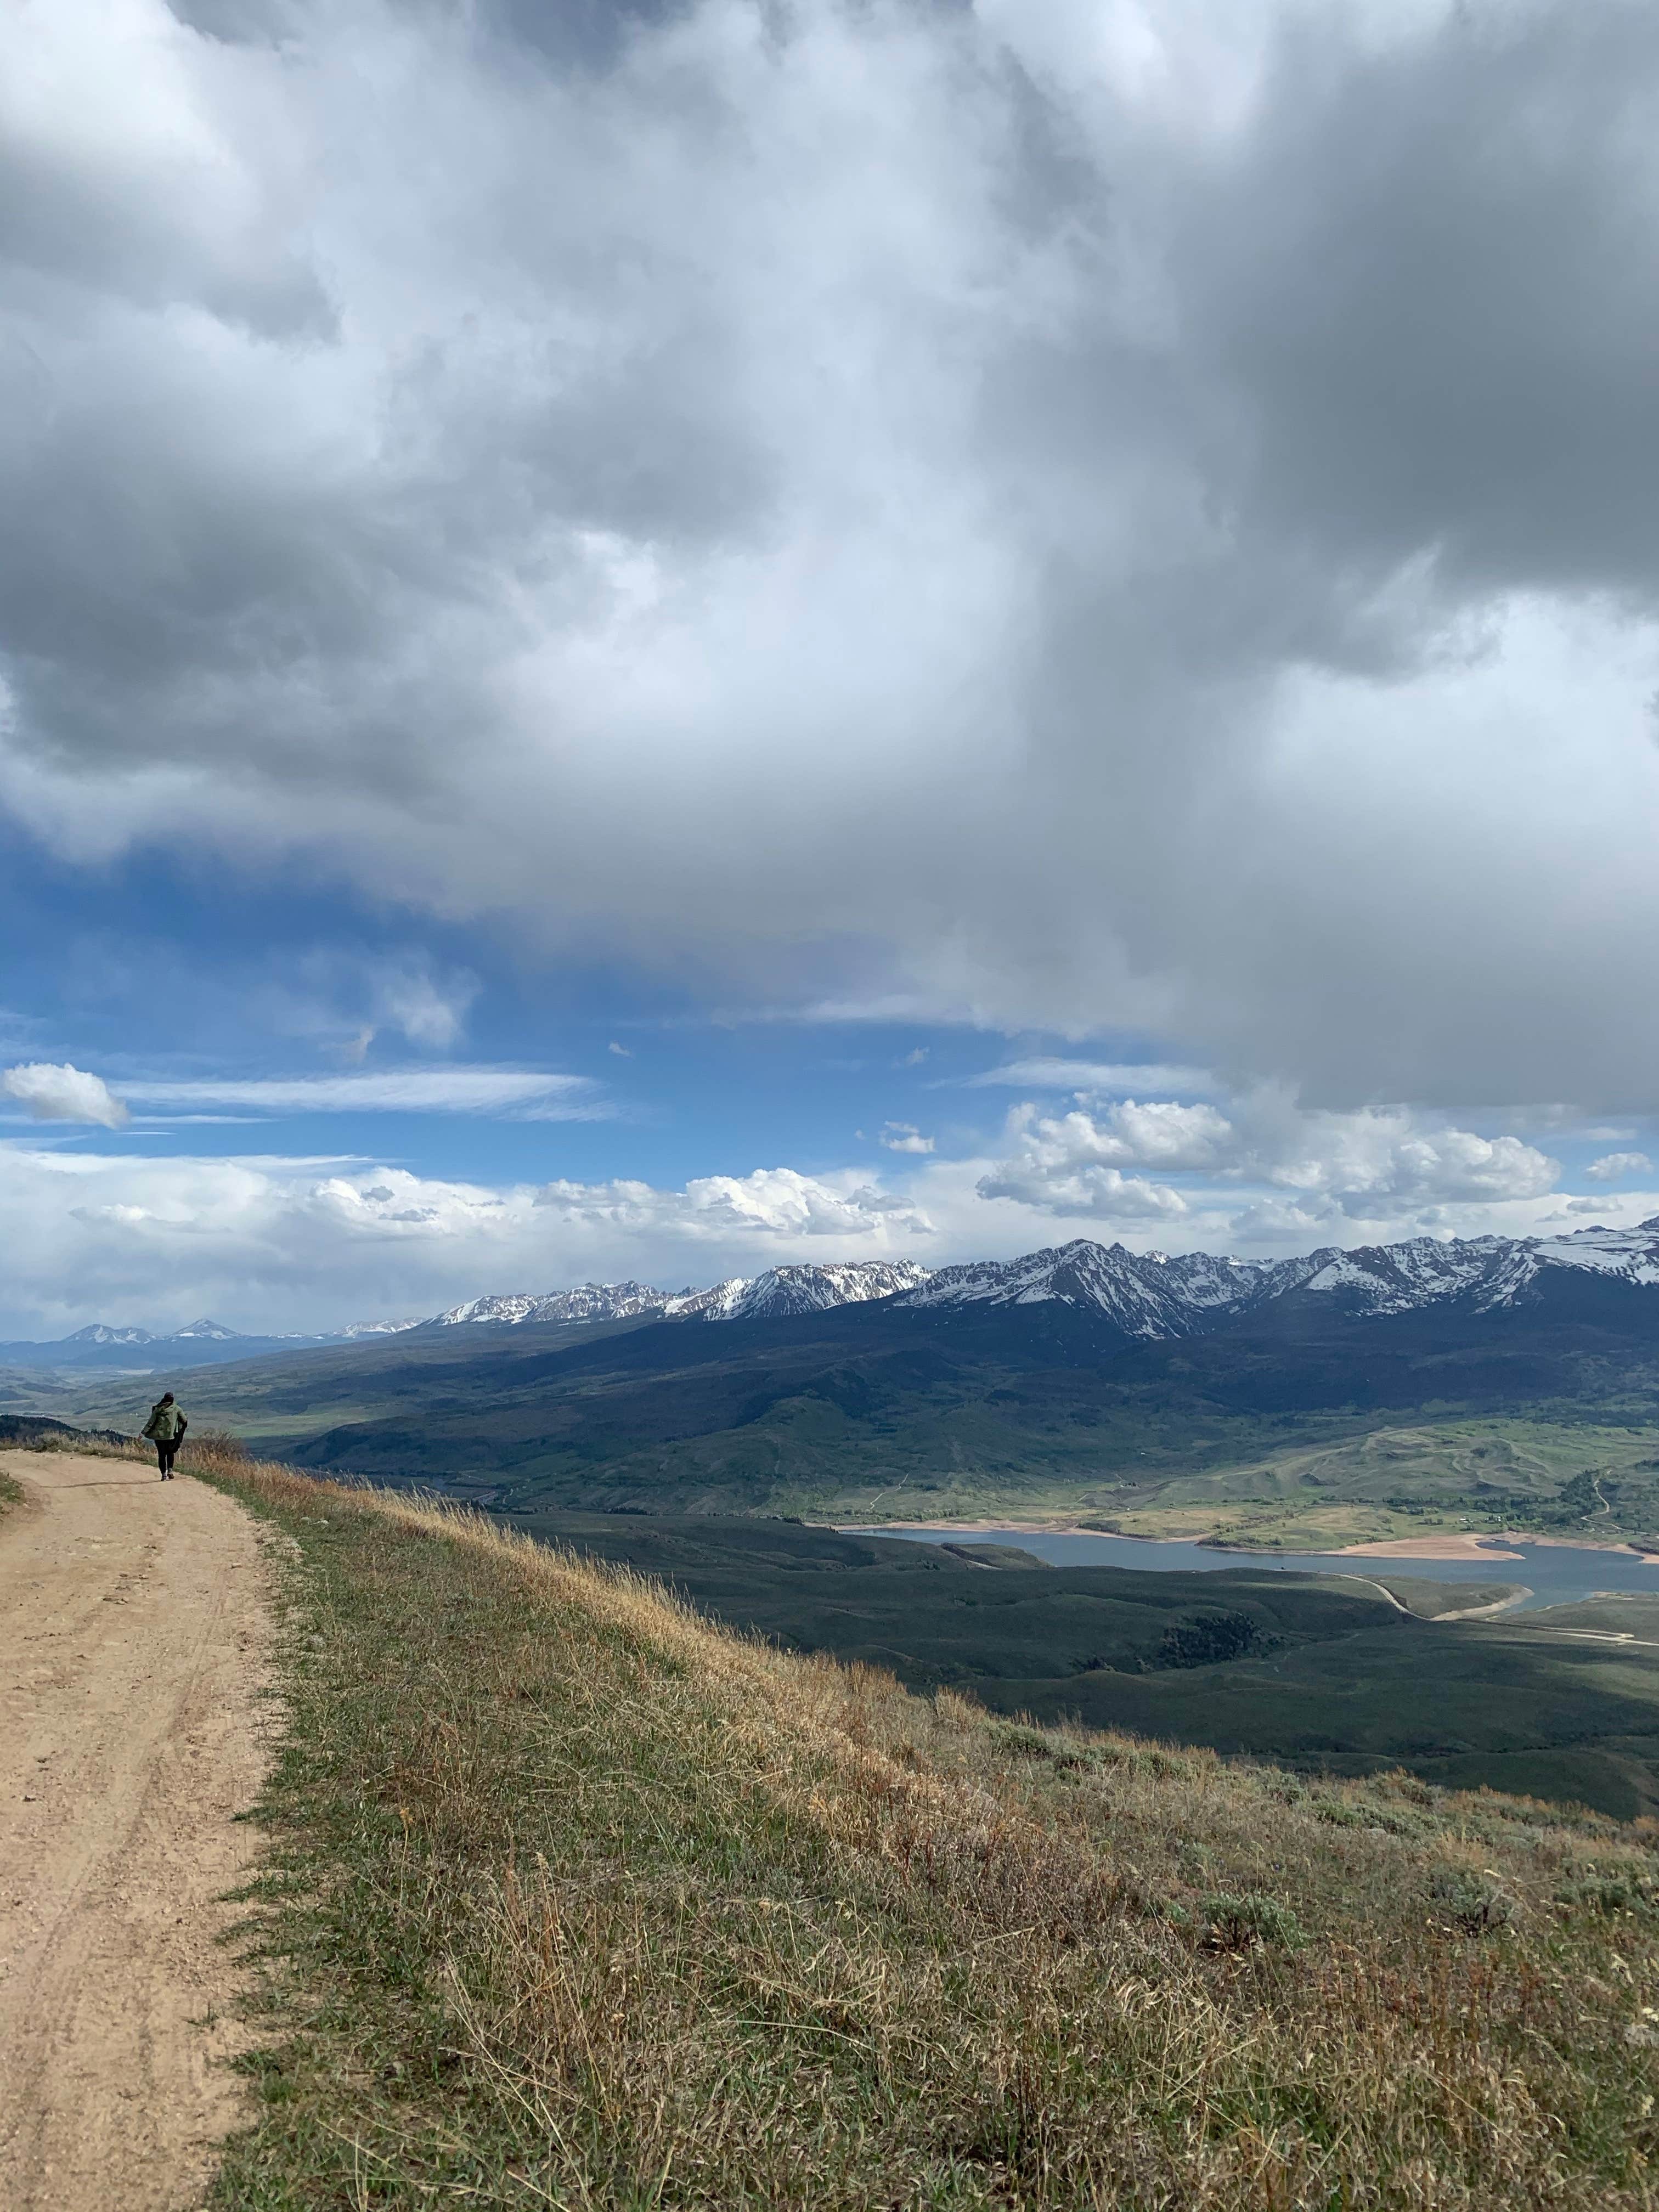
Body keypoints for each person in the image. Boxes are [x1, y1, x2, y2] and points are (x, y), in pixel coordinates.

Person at [142, 1391, 188, 1480]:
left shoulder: (158, 1410)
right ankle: (170, 1470)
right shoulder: (176, 1409)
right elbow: (184, 1420)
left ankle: (164, 1474)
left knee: (162, 1455)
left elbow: (150, 1423)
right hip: (171, 1436)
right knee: (170, 1453)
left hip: (159, 1437)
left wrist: (143, 1433)